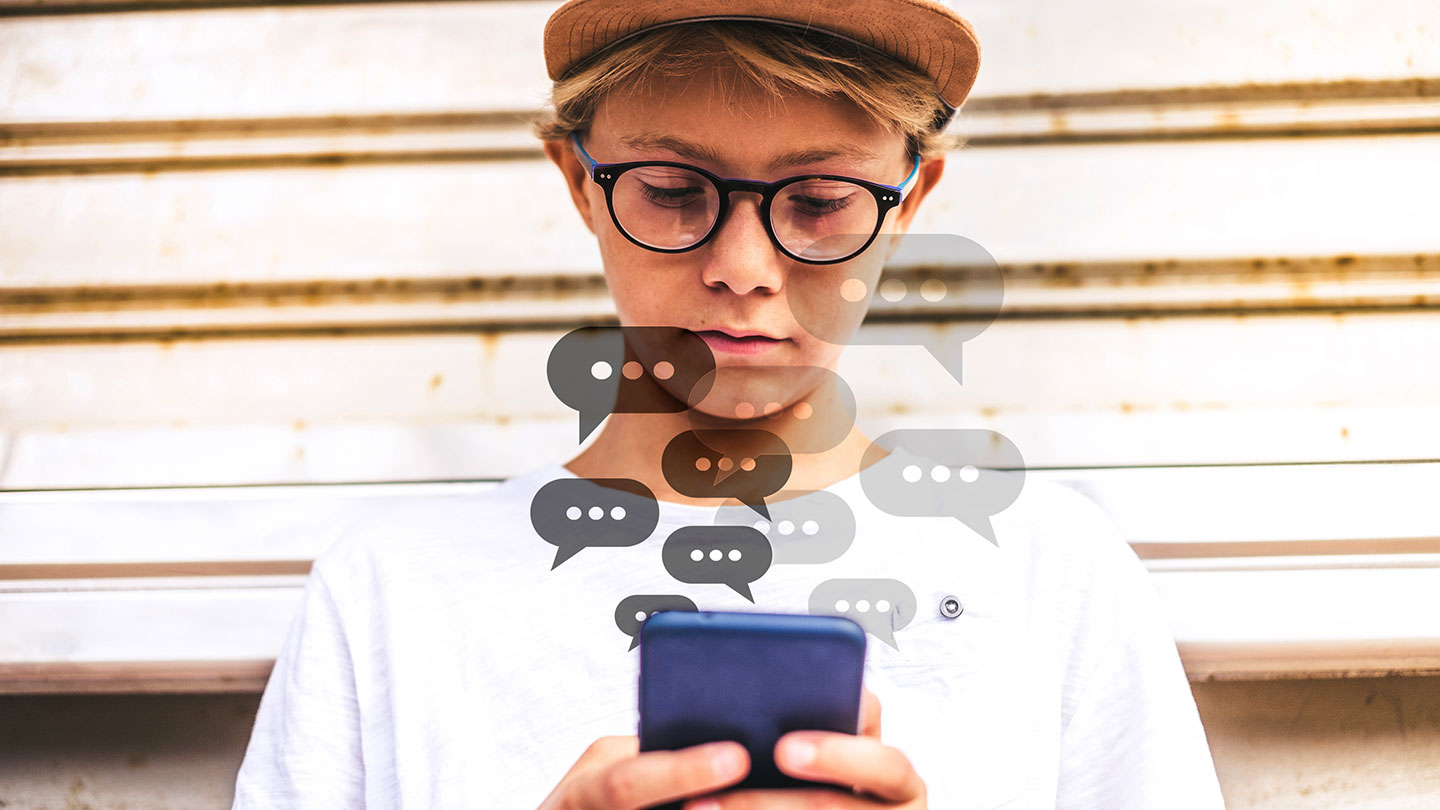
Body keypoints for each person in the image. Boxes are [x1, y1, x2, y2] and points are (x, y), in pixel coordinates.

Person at [232, 1, 1228, 808]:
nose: (743, 268)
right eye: (672, 190)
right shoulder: (388, 594)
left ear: (910, 201)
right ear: (579, 182)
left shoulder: (1052, 570)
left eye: (820, 200)